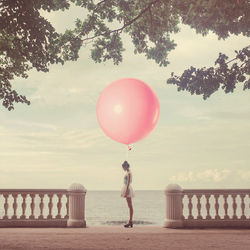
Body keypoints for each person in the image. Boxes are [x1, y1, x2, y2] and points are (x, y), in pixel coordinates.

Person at [121, 160, 135, 228]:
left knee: (130, 206)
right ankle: (130, 221)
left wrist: (126, 191)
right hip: (127, 188)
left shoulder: (128, 173)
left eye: (123, 167)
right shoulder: (128, 172)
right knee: (129, 206)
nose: (123, 168)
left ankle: (130, 221)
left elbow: (128, 182)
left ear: (126, 166)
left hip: (128, 188)